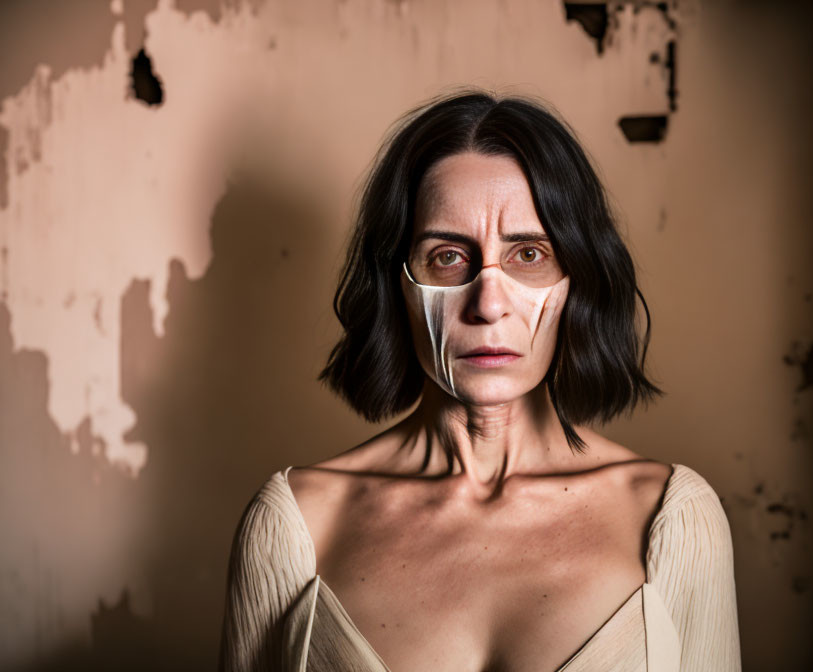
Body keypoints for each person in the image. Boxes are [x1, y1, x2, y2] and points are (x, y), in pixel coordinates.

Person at [218, 89, 742, 672]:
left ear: (578, 280)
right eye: (447, 257)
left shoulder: (670, 519)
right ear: (397, 283)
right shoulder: (298, 524)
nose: (489, 304)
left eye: (528, 254)